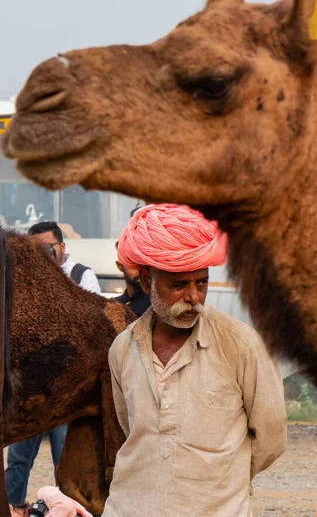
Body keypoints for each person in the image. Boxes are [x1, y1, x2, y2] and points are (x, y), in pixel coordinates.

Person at [103, 203, 287, 517]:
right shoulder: (123, 348)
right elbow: (132, 428)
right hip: (129, 507)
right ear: (147, 281)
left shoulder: (241, 345)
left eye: (201, 283)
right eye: (178, 285)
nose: (193, 297)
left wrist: (220, 482)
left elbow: (271, 438)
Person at [5, 221, 101, 516]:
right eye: (36, 251)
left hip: (68, 386)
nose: (43, 255)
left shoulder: (82, 276)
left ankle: (68, 507)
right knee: (19, 454)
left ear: (62, 247)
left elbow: (93, 324)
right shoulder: (25, 280)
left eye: (47, 248)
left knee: (64, 451)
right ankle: (14, 502)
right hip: (32, 386)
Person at [114, 241, 150, 317]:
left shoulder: (158, 306)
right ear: (120, 266)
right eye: (133, 265)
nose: (140, 271)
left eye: (143, 264)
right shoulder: (112, 306)